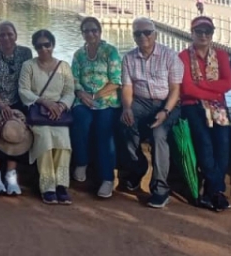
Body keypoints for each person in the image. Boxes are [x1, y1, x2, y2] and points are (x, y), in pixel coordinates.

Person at [120, 17, 182, 208]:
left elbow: (175, 90)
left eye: (147, 32)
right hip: (141, 102)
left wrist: (165, 111)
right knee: (125, 123)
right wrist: (127, 108)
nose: (143, 36)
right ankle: (138, 167)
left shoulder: (170, 56)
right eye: (138, 33)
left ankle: (160, 188)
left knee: (159, 134)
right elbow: (127, 88)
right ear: (133, 36)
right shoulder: (129, 58)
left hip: (167, 103)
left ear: (155, 34)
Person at [178, 16, 231, 212]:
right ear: (192, 33)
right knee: (204, 143)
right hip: (192, 105)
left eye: (207, 32)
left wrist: (201, 84)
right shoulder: (184, 56)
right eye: (199, 32)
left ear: (212, 34)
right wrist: (212, 90)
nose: (203, 35)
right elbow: (187, 89)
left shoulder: (221, 55)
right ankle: (217, 190)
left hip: (218, 107)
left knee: (223, 145)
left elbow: (227, 84)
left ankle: (211, 191)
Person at [19, 29, 75, 205]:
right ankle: (48, 186)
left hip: (58, 112)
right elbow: (24, 90)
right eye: (39, 46)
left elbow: (69, 91)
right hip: (39, 112)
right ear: (35, 47)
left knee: (63, 141)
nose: (43, 49)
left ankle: (61, 185)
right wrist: (43, 102)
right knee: (45, 140)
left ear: (53, 45)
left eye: (47, 45)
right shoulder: (29, 66)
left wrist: (61, 105)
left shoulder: (64, 67)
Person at [69, 17, 122, 199]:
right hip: (83, 100)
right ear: (82, 33)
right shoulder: (79, 55)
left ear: (100, 31)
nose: (90, 34)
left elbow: (115, 81)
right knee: (80, 121)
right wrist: (82, 94)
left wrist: (95, 96)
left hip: (106, 100)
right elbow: (74, 79)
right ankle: (81, 162)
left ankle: (107, 178)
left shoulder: (110, 52)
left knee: (103, 131)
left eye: (94, 30)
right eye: (86, 31)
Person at [0, 21, 33, 195]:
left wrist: (14, 109)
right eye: (2, 35)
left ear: (16, 36)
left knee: (19, 128)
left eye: (9, 34)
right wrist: (1, 105)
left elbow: (29, 79)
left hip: (18, 101)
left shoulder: (25, 53)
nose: (6, 38)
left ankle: (11, 174)